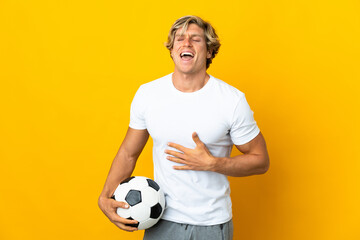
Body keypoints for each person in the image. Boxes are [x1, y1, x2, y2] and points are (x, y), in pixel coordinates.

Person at [98, 15, 270, 240]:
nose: (186, 43)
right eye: (179, 38)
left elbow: (260, 160)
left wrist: (213, 164)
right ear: (171, 49)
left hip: (211, 224)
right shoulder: (148, 94)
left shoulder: (231, 100)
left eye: (195, 39)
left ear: (209, 51)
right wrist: (105, 195)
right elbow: (128, 153)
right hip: (161, 222)